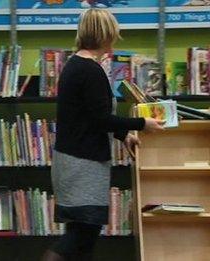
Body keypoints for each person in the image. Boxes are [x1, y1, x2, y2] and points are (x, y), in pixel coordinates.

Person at [41, 8, 165, 261]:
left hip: (72, 160)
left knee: (81, 234)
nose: (115, 38)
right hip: (83, 163)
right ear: (105, 34)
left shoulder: (75, 66)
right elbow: (100, 119)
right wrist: (142, 124)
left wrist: (124, 135)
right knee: (83, 234)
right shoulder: (90, 70)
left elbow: (89, 115)